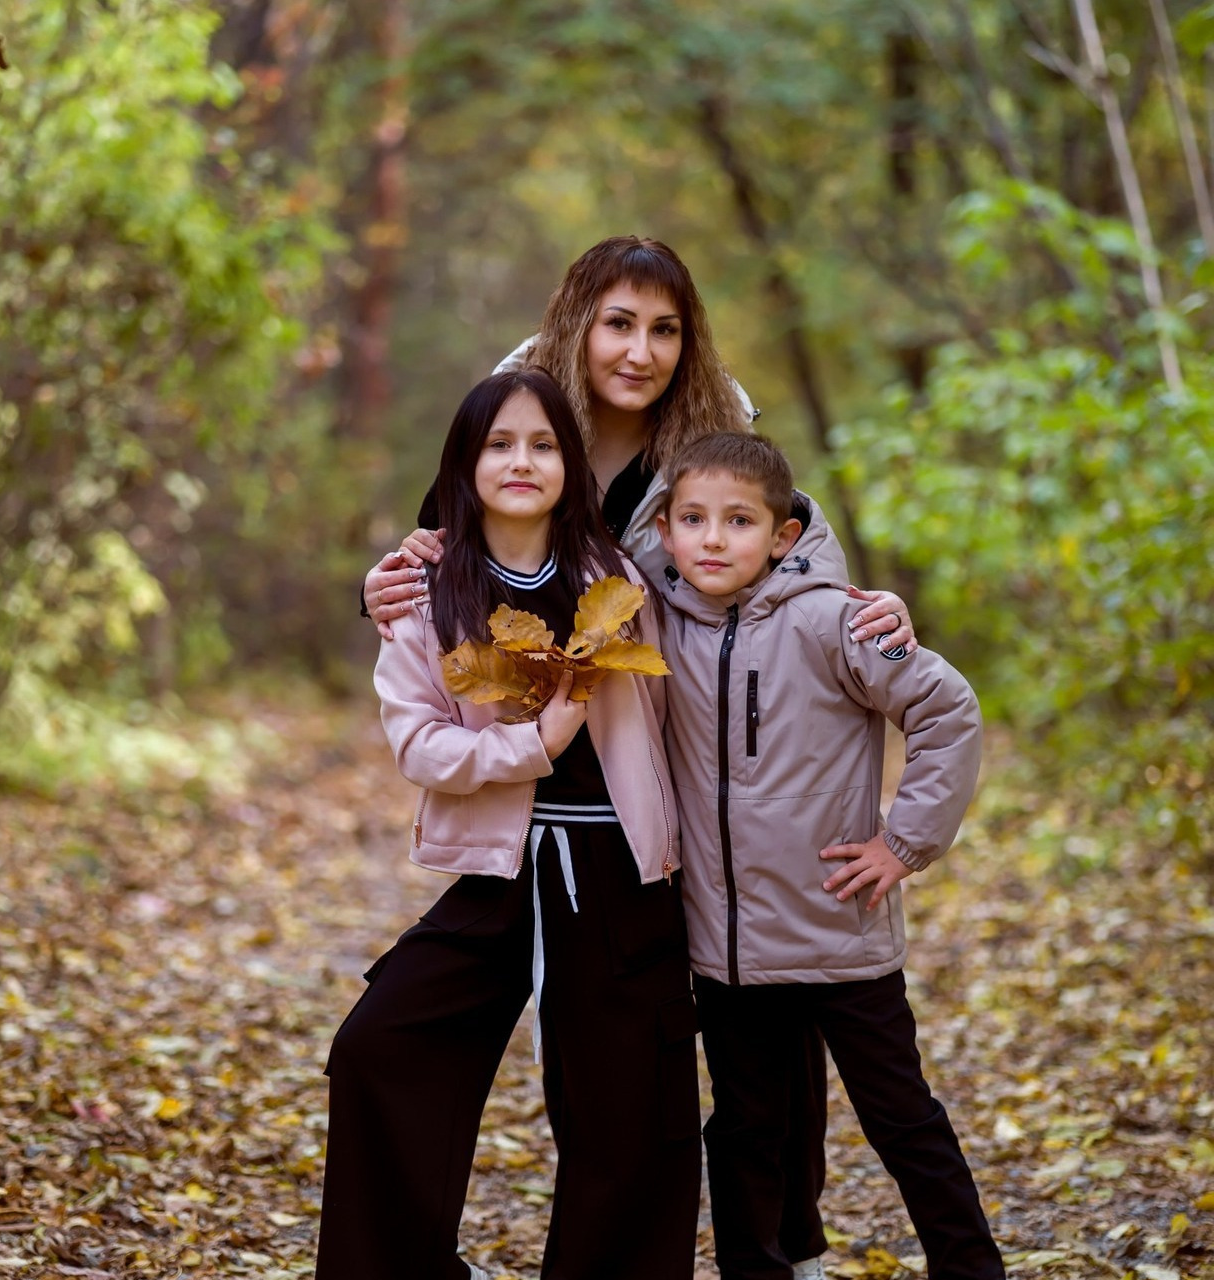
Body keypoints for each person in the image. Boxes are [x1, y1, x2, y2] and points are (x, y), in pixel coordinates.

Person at [362, 235, 918, 1279]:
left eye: (662, 328)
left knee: (759, 1027)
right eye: (618, 322)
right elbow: (439, 573)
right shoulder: (521, 426)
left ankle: (781, 1244)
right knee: (450, 1045)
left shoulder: (718, 447)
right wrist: (377, 589)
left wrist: (872, 608)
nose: (639, 349)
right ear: (578, 322)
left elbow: (806, 568)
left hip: (707, 784)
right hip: (548, 807)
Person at [316, 368, 700, 1280]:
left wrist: (852, 610)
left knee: (630, 1118)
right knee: (377, 1047)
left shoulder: (617, 578)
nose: (521, 460)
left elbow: (750, 562)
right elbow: (420, 746)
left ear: (571, 465)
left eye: (542, 444)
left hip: (618, 871)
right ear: (464, 463)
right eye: (499, 444)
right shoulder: (427, 593)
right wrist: (532, 743)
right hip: (499, 869)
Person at [651, 431, 1006, 1280]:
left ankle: (972, 1268)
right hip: (729, 953)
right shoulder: (656, 619)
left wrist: (902, 843)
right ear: (663, 531)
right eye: (692, 519)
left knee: (901, 1118)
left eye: (738, 521)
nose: (711, 538)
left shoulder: (838, 619)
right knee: (743, 1130)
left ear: (782, 534)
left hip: (841, 933)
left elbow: (946, 713)